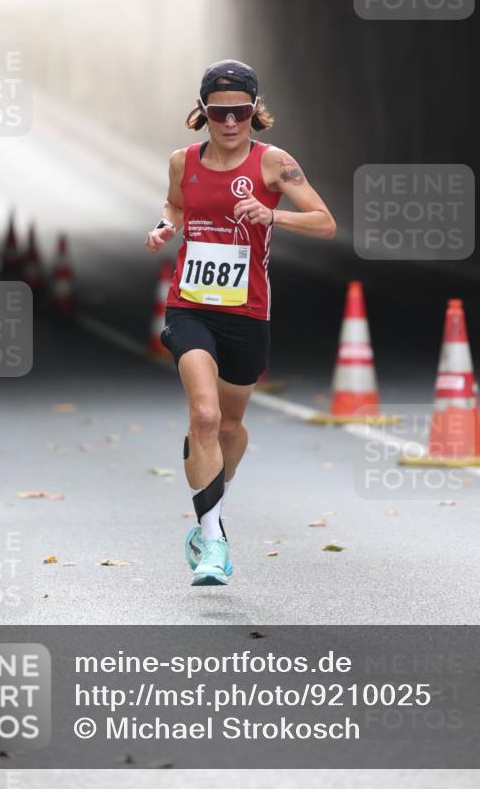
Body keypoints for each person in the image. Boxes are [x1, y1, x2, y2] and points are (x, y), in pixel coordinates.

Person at [144, 59, 336, 586]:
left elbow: (325, 222)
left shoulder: (274, 163)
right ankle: (213, 541)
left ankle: (210, 512)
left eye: (241, 112)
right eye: (219, 113)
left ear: (255, 110)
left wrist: (273, 214)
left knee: (230, 426)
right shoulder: (183, 161)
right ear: (202, 111)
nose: (230, 122)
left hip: (248, 312)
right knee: (204, 416)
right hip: (189, 304)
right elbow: (175, 205)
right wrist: (164, 227)